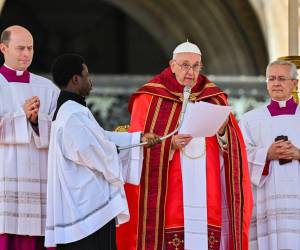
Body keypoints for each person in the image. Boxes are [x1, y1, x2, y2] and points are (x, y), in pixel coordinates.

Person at [116, 41, 253, 250]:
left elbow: (234, 148)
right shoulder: (149, 98)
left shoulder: (214, 97)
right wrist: (169, 145)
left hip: (208, 187)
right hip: (171, 189)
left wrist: (224, 131)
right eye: (185, 65)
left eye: (196, 66)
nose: (191, 72)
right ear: (172, 65)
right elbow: (137, 146)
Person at [45, 53, 161, 250]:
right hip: (86, 213)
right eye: (86, 76)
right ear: (75, 79)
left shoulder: (73, 110)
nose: (90, 81)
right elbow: (90, 150)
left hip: (86, 210)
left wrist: (137, 139)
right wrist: (115, 151)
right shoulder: (72, 114)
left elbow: (100, 138)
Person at [0, 25, 59, 249]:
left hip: (39, 179)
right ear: (3, 48)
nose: (26, 54)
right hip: (4, 177)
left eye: (30, 48)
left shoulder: (47, 88)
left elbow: (60, 131)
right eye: (20, 48)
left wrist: (36, 121)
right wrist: (21, 116)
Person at [239, 60, 300, 250]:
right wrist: (266, 154)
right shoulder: (250, 120)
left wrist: (298, 154)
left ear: (295, 83)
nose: (276, 83)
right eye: (271, 78)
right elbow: (240, 156)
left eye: (282, 78)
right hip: (267, 201)